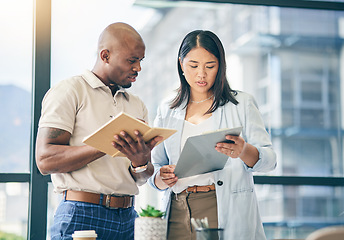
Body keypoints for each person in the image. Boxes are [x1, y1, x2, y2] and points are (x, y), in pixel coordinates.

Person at [35, 22, 162, 240]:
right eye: (132, 60)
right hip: (81, 214)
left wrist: (141, 161)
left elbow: (141, 177)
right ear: (105, 55)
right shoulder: (70, 90)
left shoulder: (137, 104)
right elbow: (45, 160)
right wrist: (106, 143)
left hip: (128, 217)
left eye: (140, 61)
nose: (138, 68)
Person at [148, 30, 277, 240]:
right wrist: (162, 178)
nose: (201, 74)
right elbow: (154, 170)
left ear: (221, 66)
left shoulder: (241, 104)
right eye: (193, 66)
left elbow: (270, 161)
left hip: (221, 206)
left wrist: (244, 150)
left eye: (210, 66)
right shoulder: (167, 110)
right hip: (178, 209)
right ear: (181, 64)